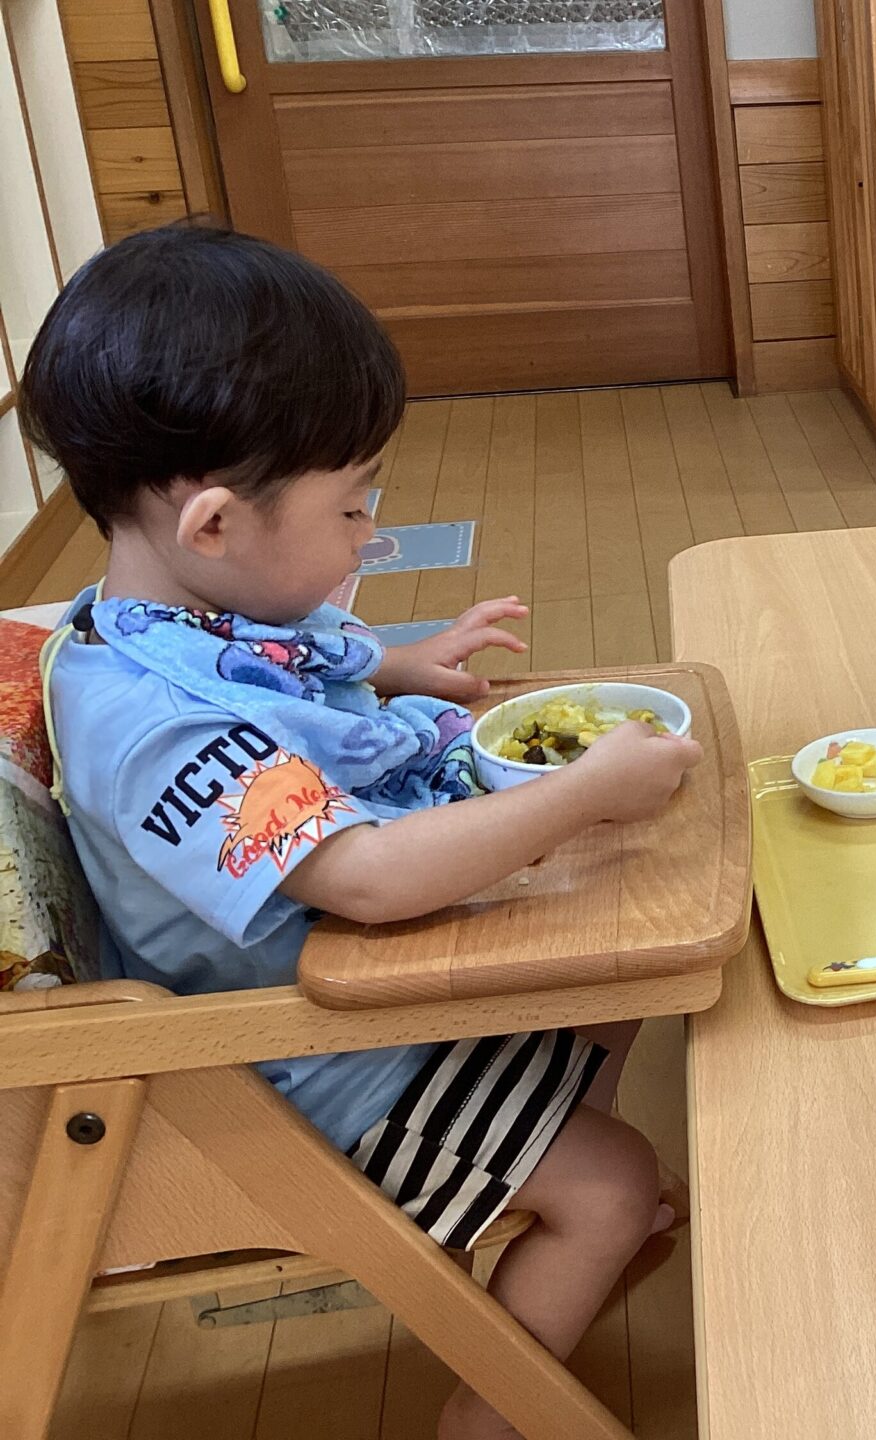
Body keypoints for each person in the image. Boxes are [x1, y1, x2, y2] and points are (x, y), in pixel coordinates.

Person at [20, 223, 702, 1440]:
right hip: (306, 1064)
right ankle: (493, 1409)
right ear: (215, 525)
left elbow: (285, 653)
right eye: (351, 508)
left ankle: (532, 1152)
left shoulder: (166, 612)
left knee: (620, 968)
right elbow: (370, 880)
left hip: (360, 999)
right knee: (615, 1185)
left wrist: (404, 662)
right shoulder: (155, 728)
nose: (366, 533)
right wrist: (581, 794)